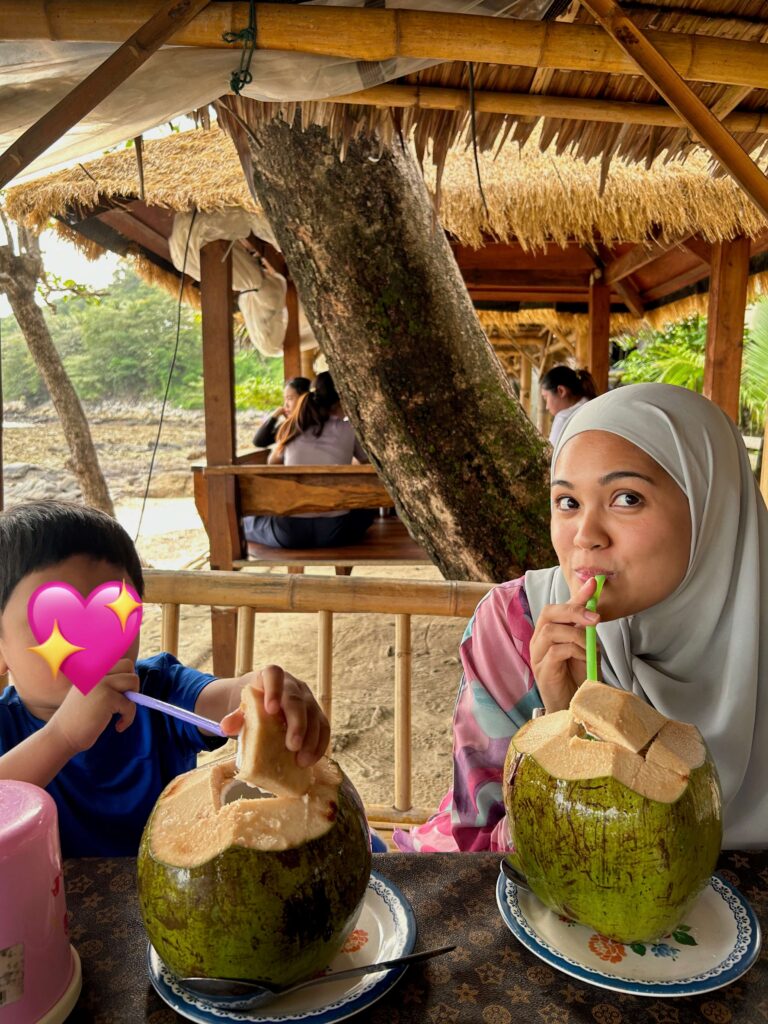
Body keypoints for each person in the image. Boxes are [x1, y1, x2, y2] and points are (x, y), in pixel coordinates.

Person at [394, 383, 767, 853]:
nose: (584, 536)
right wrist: (562, 731)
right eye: (567, 502)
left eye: (626, 498)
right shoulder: (515, 625)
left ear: (715, 509)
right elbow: (478, 841)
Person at [0, 501, 329, 858]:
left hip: (177, 896)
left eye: (113, 616)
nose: (89, 643)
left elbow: (226, 697)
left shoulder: (159, 688)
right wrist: (62, 736)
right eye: (54, 624)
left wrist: (262, 692)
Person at [243, 371, 376, 549]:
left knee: (247, 522)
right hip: (336, 532)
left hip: (289, 532)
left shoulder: (290, 427)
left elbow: (272, 463)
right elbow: (367, 461)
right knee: (364, 512)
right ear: (342, 400)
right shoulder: (349, 429)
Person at [540, 365, 598, 449]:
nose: (547, 407)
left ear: (561, 391)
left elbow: (551, 457)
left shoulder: (563, 418)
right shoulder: (593, 405)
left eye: (546, 398)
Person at [253, 376, 311, 448]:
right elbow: (259, 441)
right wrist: (274, 416)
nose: (285, 405)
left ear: (304, 398)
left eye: (289, 398)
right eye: (285, 399)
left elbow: (259, 441)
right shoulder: (290, 425)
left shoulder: (315, 424)